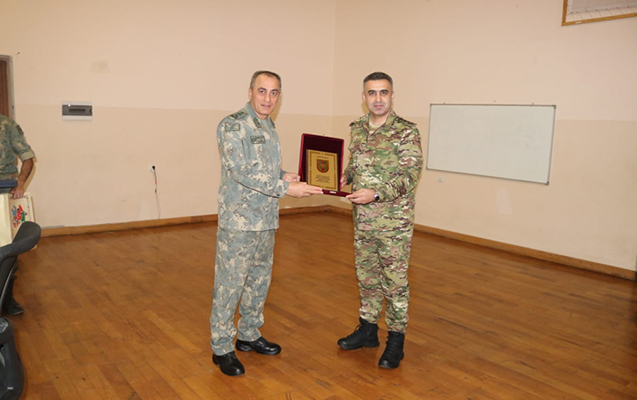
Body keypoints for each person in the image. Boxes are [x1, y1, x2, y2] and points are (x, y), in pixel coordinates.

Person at [210, 70, 323, 376]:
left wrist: (284, 175)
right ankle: (222, 347)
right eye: (262, 91)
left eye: (274, 93)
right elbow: (240, 171)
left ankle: (249, 334)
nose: (268, 98)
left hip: (266, 220)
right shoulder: (233, 125)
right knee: (230, 285)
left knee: (258, 281)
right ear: (250, 92)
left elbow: (264, 169)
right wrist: (286, 188)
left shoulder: (268, 126)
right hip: (240, 222)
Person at [337, 72, 423, 369]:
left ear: (392, 96)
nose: (377, 99)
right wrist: (342, 176)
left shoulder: (406, 131)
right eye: (372, 93)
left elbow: (410, 176)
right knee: (367, 278)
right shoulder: (358, 128)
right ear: (364, 97)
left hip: (393, 224)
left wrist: (376, 194)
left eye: (383, 92)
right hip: (363, 220)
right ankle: (368, 330)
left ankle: (396, 340)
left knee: (395, 283)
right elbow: (355, 164)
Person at [0, 113, 36, 316]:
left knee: (8, 246)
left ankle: (7, 298)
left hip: (3, 193)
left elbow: (28, 158)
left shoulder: (7, 125)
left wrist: (20, 182)